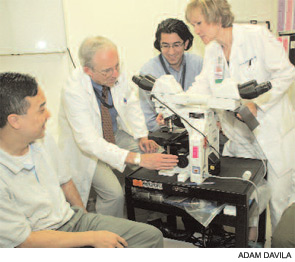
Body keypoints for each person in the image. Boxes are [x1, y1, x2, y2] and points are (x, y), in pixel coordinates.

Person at [0, 72, 163, 248]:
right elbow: (24, 241)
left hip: (72, 220)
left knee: (151, 236)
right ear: (14, 121)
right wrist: (90, 238)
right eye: (41, 109)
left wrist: (85, 220)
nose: (48, 114)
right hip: (40, 241)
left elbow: (65, 181)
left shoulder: (43, 140)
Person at [183, 0, 295, 238]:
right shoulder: (213, 49)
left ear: (216, 17)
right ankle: (249, 244)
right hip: (241, 137)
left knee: (278, 201)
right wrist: (177, 104)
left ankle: (280, 248)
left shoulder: (256, 36)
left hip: (272, 133)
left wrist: (258, 102)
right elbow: (202, 86)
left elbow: (286, 73)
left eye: (199, 23)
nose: (196, 30)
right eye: (193, 25)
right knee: (247, 200)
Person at [58, 36, 178, 218]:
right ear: (87, 70)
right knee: (113, 194)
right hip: (86, 150)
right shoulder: (73, 90)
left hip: (114, 134)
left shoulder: (113, 71)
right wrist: (138, 159)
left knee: (160, 160)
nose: (115, 74)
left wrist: (141, 136)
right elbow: (89, 142)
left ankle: (149, 221)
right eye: (107, 70)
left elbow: (131, 103)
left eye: (117, 66)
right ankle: (109, 235)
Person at [139, 18, 203, 132]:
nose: (171, 52)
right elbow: (148, 118)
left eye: (176, 45)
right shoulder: (148, 72)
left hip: (197, 130)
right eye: (165, 45)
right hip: (165, 134)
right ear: (159, 45)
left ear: (186, 43)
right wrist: (162, 125)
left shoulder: (199, 65)